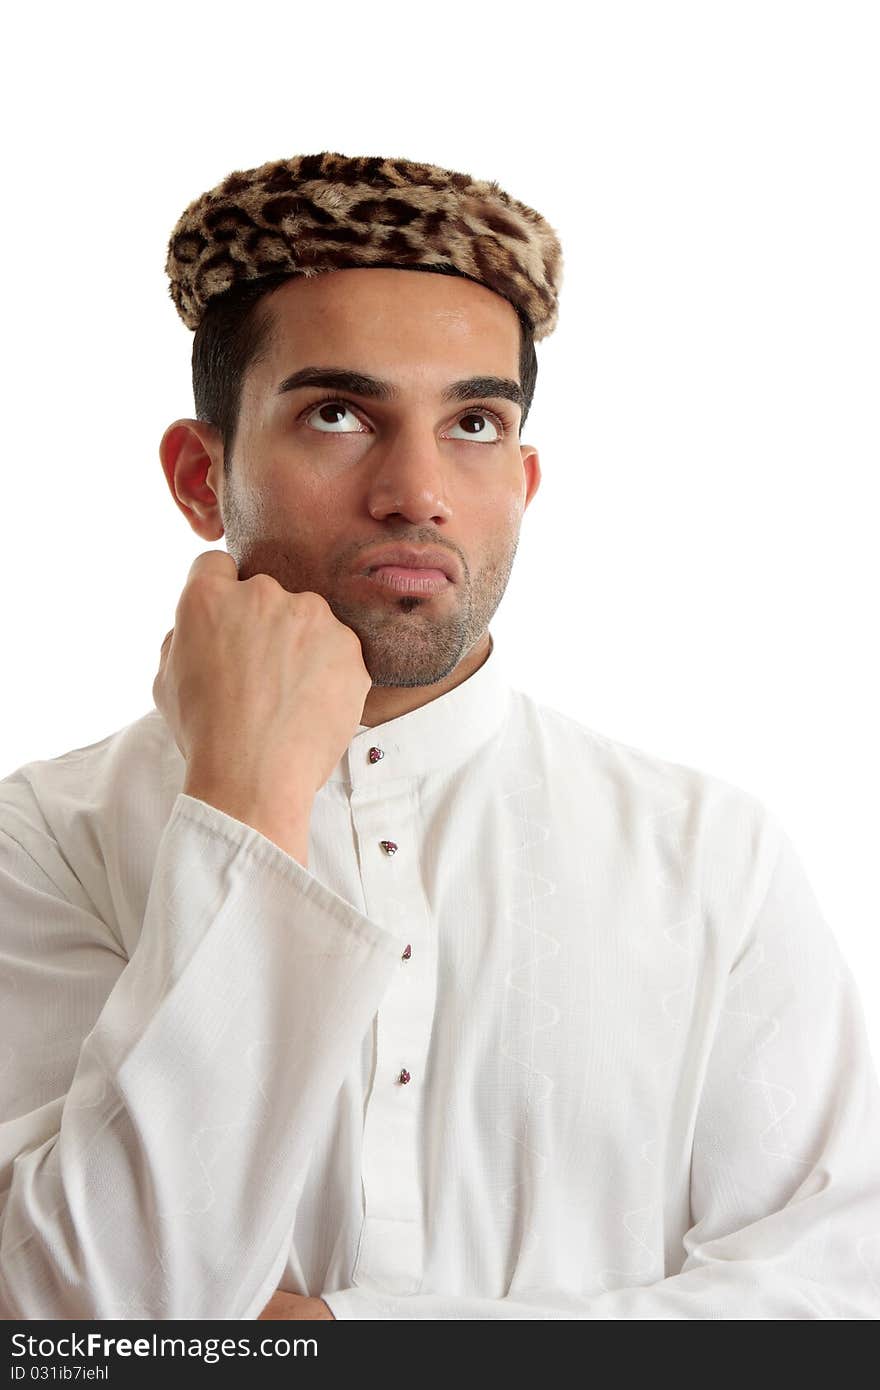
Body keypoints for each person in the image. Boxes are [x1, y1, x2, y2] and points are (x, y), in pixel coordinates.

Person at [1, 151, 878, 1322]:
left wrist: (328, 1340)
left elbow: (828, 1299)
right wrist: (243, 804)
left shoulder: (709, 855)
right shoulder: (48, 840)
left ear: (522, 478)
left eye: (471, 421)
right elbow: (76, 1317)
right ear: (200, 474)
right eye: (338, 412)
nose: (416, 490)